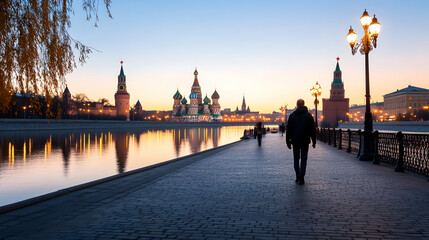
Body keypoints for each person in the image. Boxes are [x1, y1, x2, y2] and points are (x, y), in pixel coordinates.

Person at [286, 99, 316, 185]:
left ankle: (297, 176)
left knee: (296, 158)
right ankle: (302, 177)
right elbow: (312, 130)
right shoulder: (308, 116)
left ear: (297, 105)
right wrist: (314, 141)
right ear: (304, 104)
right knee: (303, 159)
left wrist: (288, 141)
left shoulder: (292, 116)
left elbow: (289, 130)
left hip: (295, 141)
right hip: (305, 141)